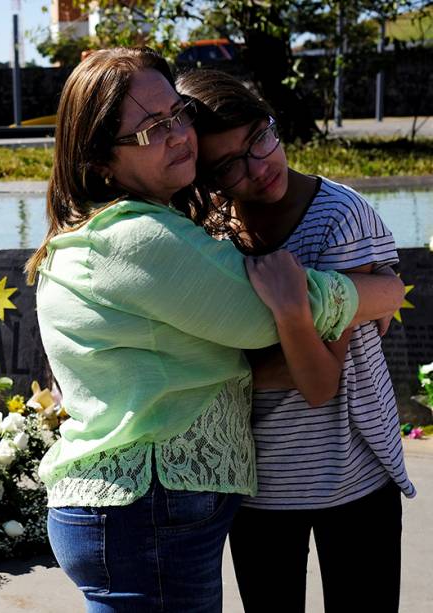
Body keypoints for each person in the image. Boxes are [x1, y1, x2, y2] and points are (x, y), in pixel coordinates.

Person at [24, 47, 405, 612]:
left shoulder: (332, 216)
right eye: (152, 129)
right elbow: (273, 335)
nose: (177, 133)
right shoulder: (166, 235)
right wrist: (379, 293)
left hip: (338, 477)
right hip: (207, 499)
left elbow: (240, 363)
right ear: (102, 158)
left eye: (176, 114)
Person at [177, 68, 416, 613]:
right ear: (206, 179)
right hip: (258, 486)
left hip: (356, 475)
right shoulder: (210, 234)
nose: (259, 168)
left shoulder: (339, 216)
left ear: (270, 121)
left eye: (260, 138)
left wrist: (286, 315)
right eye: (229, 165)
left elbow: (319, 384)